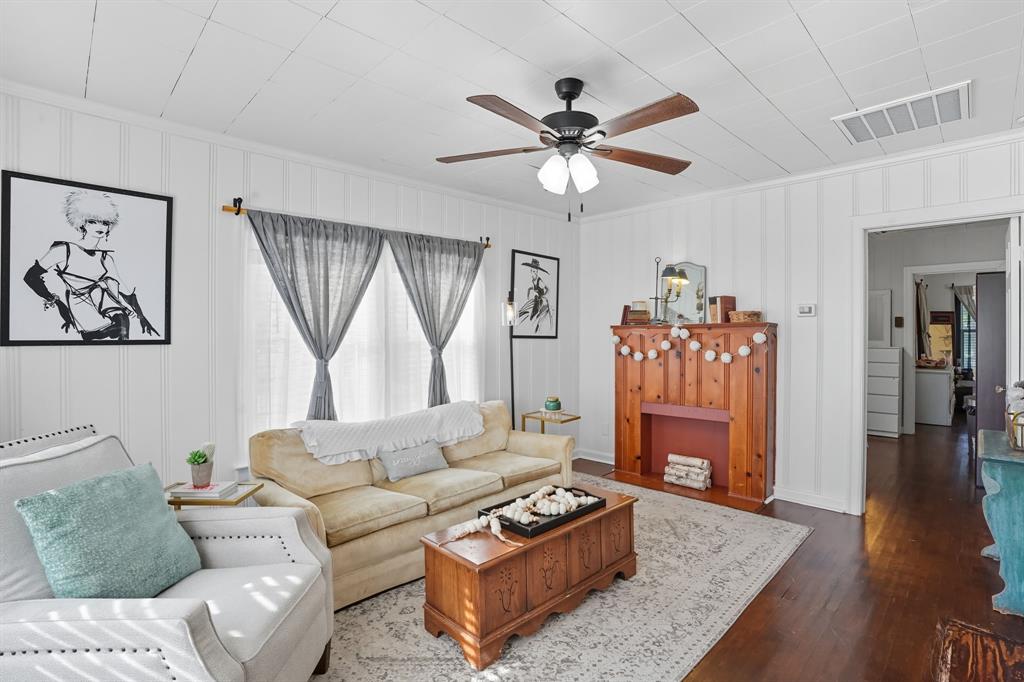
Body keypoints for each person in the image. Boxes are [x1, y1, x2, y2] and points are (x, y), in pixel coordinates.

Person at [23, 188, 158, 341]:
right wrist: (56, 301)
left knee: (122, 329)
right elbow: (30, 277)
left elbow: (126, 292)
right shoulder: (63, 250)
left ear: (109, 227)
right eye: (93, 221)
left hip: (109, 308)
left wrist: (142, 317)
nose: (100, 227)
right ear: (82, 224)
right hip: (83, 311)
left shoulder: (106, 257)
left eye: (105, 223)